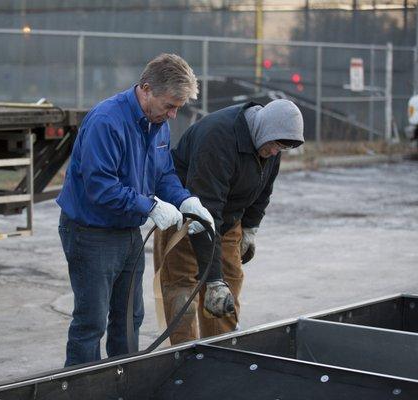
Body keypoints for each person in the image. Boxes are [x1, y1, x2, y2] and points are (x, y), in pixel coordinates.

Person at [57, 53, 214, 367]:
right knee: (91, 322)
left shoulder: (157, 124)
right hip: (91, 233)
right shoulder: (107, 121)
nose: (172, 115)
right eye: (170, 105)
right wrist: (150, 205)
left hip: (127, 231)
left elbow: (163, 174)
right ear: (146, 89)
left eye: (178, 108)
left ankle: (123, 383)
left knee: (129, 317)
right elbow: (100, 187)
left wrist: (185, 200)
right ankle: (80, 387)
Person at [154, 99, 305, 345]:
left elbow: (263, 190)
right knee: (183, 290)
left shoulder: (271, 142)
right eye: (276, 145)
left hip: (227, 219)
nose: (277, 152)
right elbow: (206, 211)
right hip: (187, 217)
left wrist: (249, 229)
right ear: (265, 130)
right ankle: (184, 359)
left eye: (282, 148)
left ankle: (220, 354)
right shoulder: (218, 138)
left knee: (226, 293)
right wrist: (212, 278)